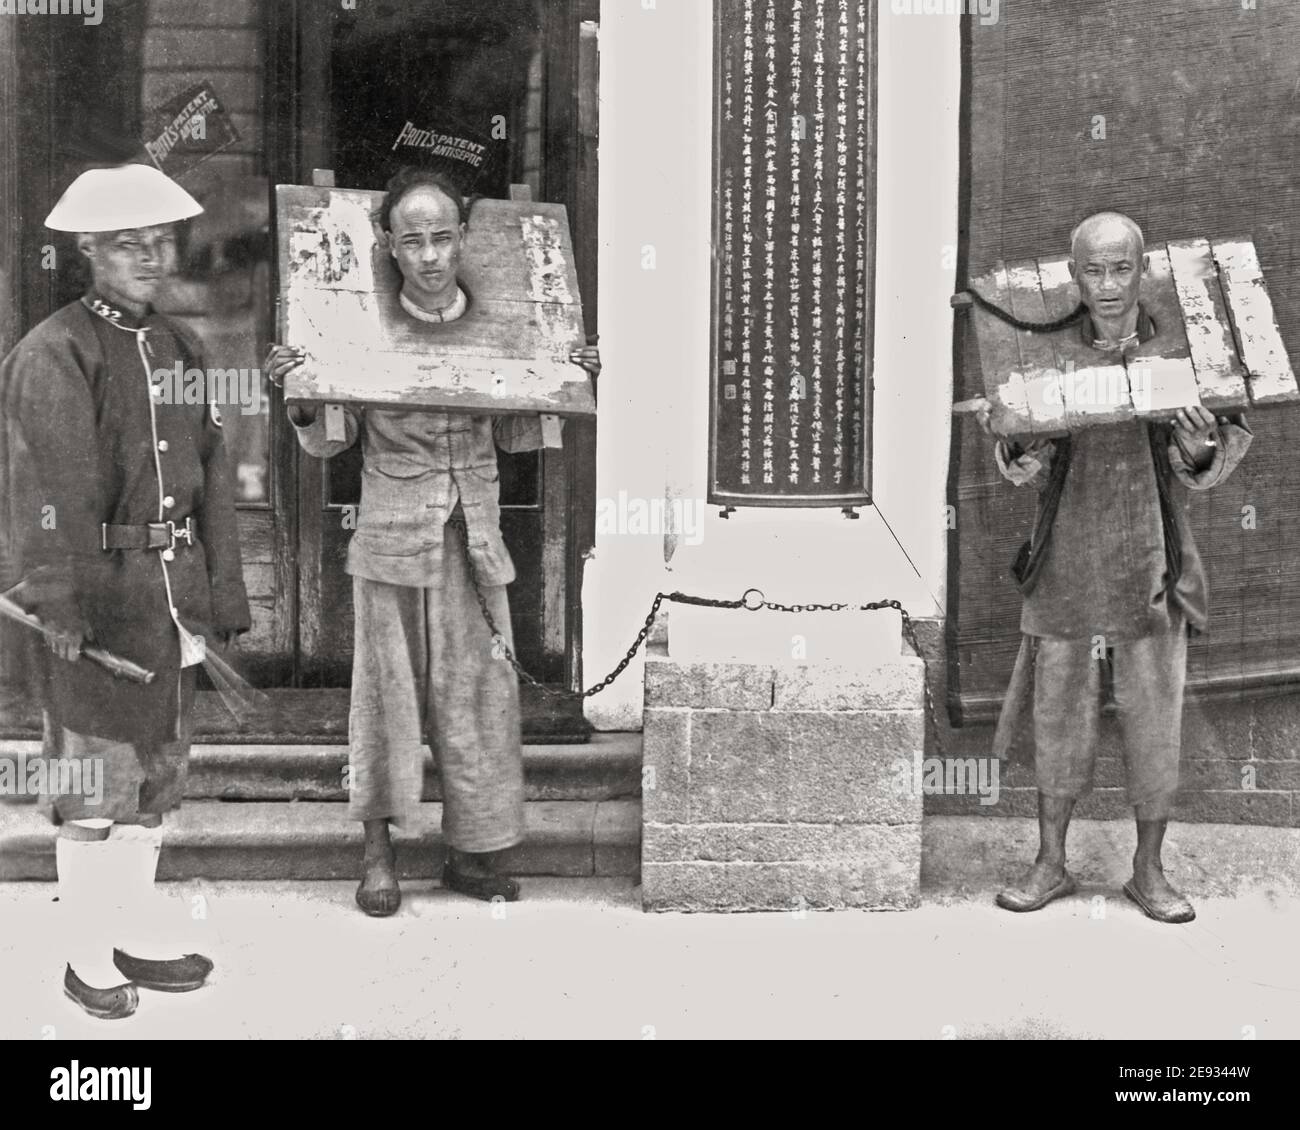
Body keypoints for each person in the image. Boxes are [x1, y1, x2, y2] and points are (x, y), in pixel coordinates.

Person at [267, 167, 600, 916]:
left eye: (442, 237)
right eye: (411, 240)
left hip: (475, 538)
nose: (428, 255)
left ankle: (472, 853)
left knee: (478, 695)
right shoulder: (355, 321)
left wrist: (562, 374)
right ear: (387, 245)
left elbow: (519, 433)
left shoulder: (497, 313)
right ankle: (378, 852)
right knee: (386, 698)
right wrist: (301, 392)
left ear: (463, 241)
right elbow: (332, 438)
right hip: (391, 536)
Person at [0, 163, 251, 1018]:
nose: (150, 256)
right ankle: (82, 955)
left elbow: (213, 481)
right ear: (88, 253)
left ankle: (132, 935)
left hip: (170, 600)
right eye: (126, 244)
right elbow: (43, 493)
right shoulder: (53, 352)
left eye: (160, 239)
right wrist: (57, 605)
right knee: (93, 790)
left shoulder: (182, 348)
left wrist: (221, 596)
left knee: (154, 786)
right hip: (96, 606)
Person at [976, 211, 1252, 924]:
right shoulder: (1045, 360)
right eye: (1092, 270)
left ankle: (1149, 870)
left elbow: (1210, 459)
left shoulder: (1181, 353)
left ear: (1144, 272)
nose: (1107, 284)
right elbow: (1016, 461)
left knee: (1154, 717)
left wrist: (1194, 447)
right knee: (1058, 716)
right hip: (1066, 556)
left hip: (1150, 559)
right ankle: (1049, 861)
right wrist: (1023, 449)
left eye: (1121, 268)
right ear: (1074, 277)